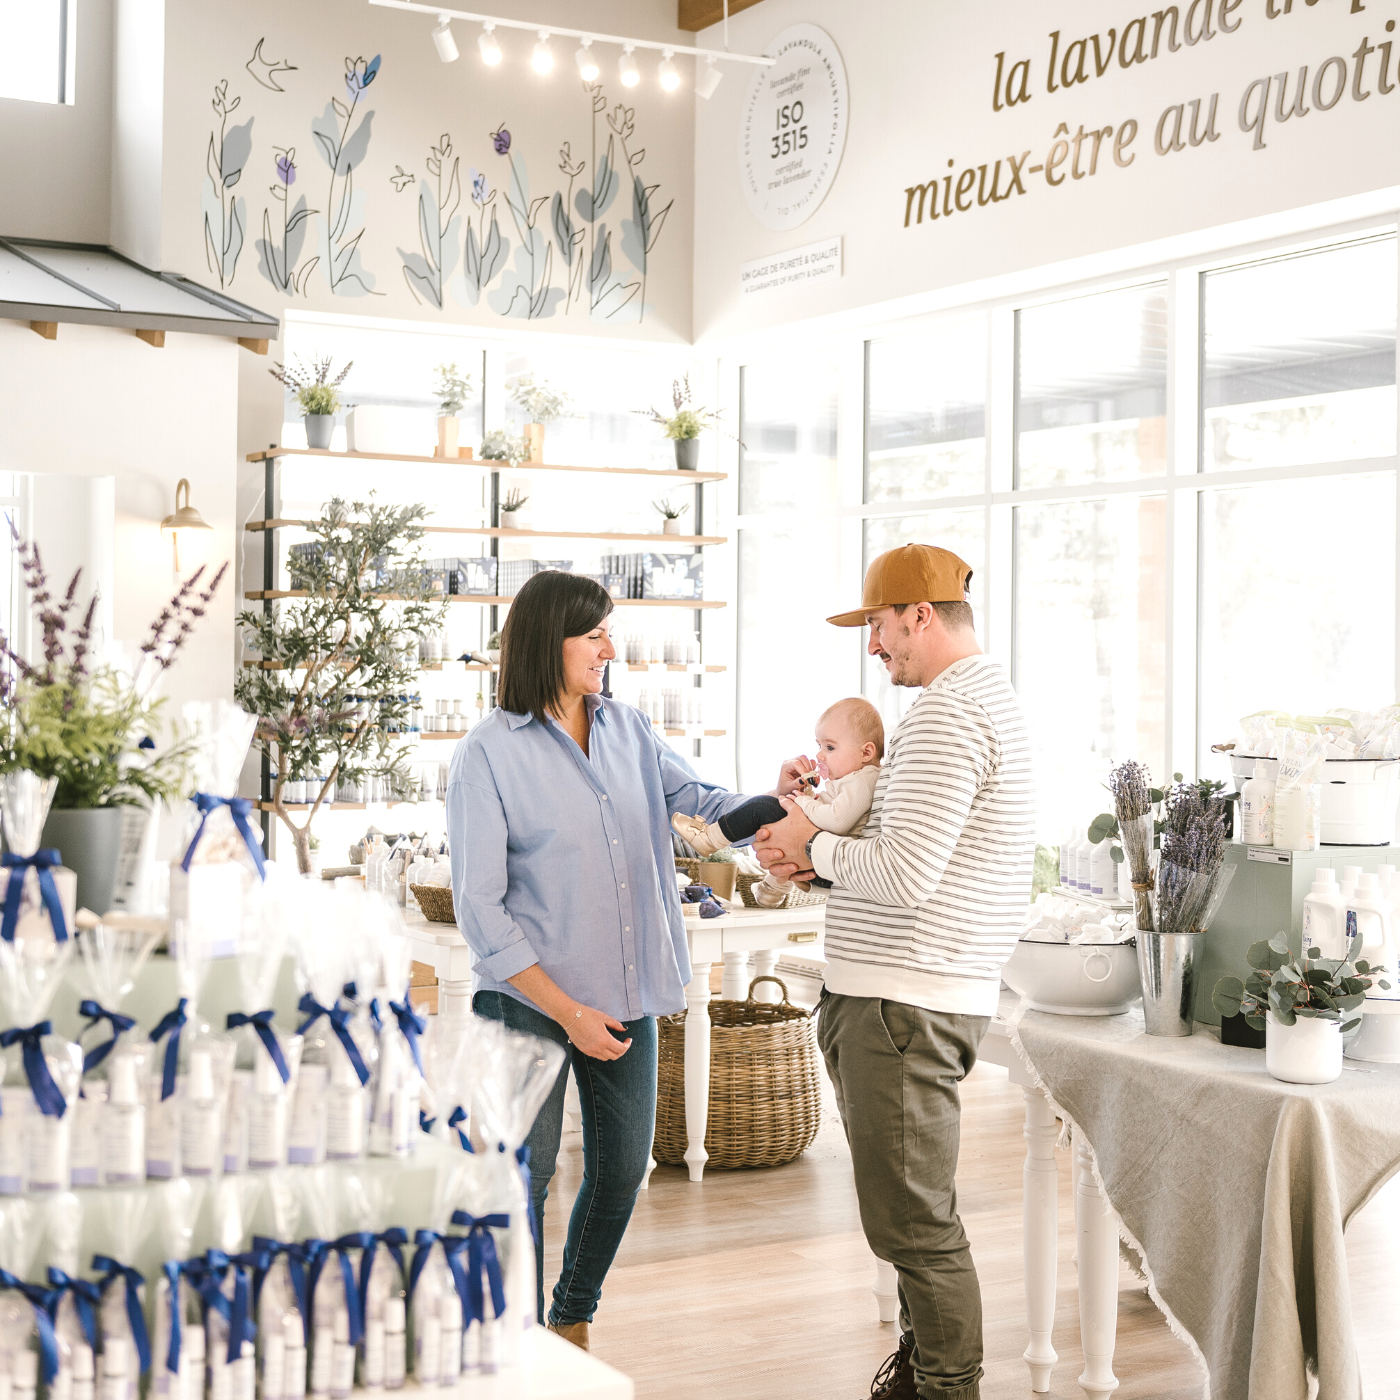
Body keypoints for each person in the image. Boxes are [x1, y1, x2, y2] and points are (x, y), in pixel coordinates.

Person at [447, 570, 811, 1352]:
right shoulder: (487, 755)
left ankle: (571, 1313)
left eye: (610, 634)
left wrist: (775, 799)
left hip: (623, 989)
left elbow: (707, 811)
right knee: (521, 1182)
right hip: (527, 999)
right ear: (552, 641)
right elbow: (480, 908)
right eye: (595, 636)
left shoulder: (629, 729)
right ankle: (509, 1347)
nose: (611, 650)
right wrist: (566, 1011)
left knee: (622, 1169)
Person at [755, 544, 1036, 1400]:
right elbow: (908, 856)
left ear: (920, 614)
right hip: (901, 996)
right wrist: (819, 839)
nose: (874, 646)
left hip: (905, 1005)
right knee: (908, 1219)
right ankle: (922, 1375)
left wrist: (814, 842)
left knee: (914, 1225)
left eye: (879, 624)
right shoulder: (973, 702)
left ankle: (947, 1388)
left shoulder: (952, 713)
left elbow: (909, 875)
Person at [672, 695, 883, 906]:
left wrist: (802, 802)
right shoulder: (851, 780)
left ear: (866, 752)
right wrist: (807, 796)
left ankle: (710, 838)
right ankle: (773, 889)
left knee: (763, 807)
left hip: (828, 866)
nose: (819, 755)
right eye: (819, 745)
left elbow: (837, 821)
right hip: (824, 864)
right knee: (781, 839)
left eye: (830, 748)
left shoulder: (861, 781)